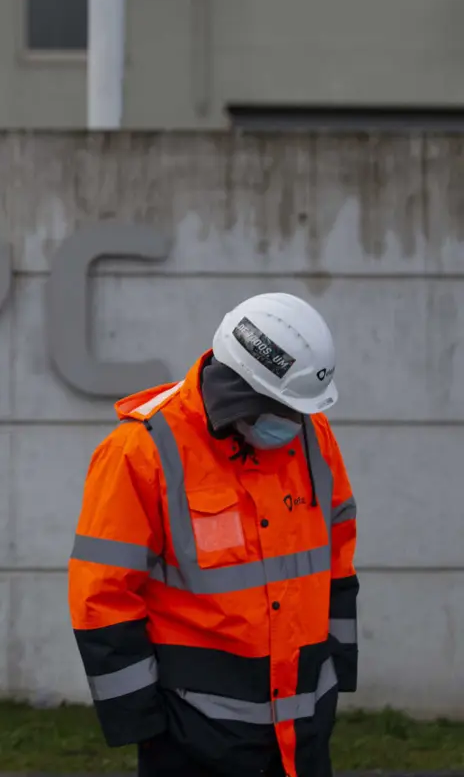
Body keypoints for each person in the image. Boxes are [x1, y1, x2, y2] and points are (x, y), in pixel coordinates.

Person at [68, 293, 359, 777]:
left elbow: (338, 556)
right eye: (280, 410)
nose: (291, 425)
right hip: (194, 737)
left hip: (302, 730)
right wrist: (141, 721)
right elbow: (102, 595)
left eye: (296, 411)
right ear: (238, 390)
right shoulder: (141, 452)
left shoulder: (314, 435)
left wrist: (336, 669)